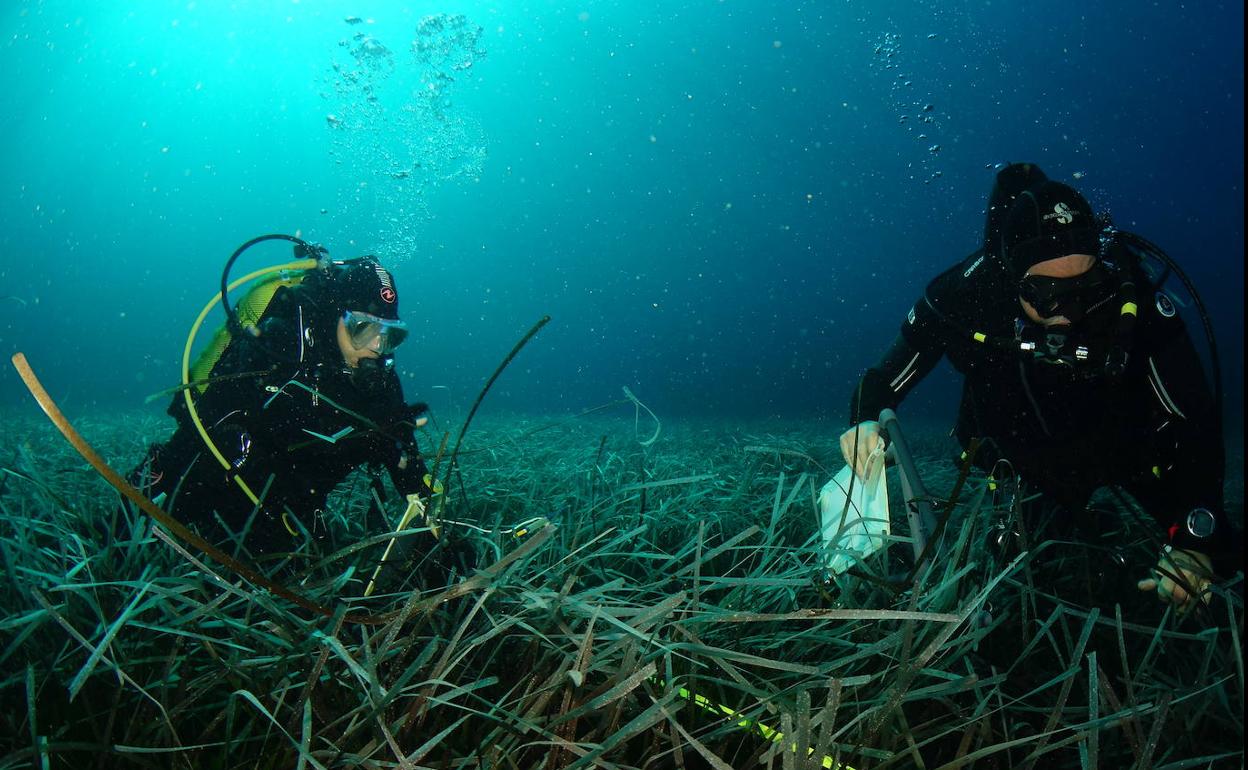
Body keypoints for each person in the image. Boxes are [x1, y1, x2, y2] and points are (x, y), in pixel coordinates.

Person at [839, 162, 1239, 613]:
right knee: (1017, 589)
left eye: (1083, 289)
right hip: (1021, 459)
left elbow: (1195, 422)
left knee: (1215, 568)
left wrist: (1194, 540)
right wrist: (865, 421)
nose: (1066, 315)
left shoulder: (1130, 299)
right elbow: (882, 379)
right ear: (1010, 278)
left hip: (1123, 447)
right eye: (1046, 293)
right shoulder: (964, 298)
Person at [130, 246, 438, 569]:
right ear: (336, 314)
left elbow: (410, 470)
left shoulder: (380, 384)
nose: (376, 348)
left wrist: (434, 533)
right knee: (145, 516)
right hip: (220, 476)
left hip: (290, 511)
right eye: (363, 330)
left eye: (390, 336)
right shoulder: (279, 345)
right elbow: (207, 424)